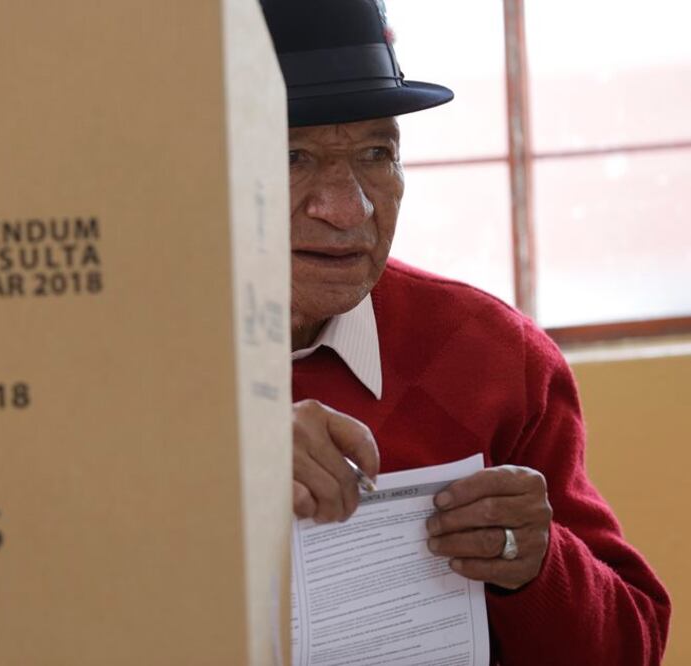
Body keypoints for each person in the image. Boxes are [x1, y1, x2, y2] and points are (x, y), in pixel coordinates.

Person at [263, 0, 672, 663]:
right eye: (292, 156)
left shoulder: (491, 356)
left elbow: (632, 646)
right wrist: (211, 462)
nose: (347, 209)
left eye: (376, 152)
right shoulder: (110, 353)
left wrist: (536, 565)